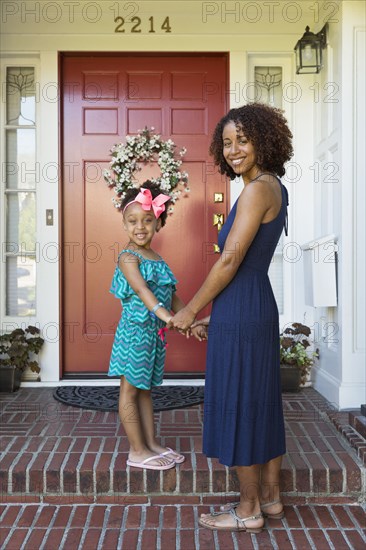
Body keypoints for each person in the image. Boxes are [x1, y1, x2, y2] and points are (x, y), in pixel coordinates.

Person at [171, 103, 293, 532]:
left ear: (263, 139)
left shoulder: (258, 189)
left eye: (243, 139)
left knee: (242, 403)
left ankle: (248, 510)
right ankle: (272, 499)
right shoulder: (272, 186)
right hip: (252, 304)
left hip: (243, 305)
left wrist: (190, 310)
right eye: (227, 142)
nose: (234, 149)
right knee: (262, 401)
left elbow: (230, 262)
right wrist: (215, 318)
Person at [108, 181, 186, 470]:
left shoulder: (157, 258)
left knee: (145, 389)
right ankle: (136, 450)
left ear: (158, 222)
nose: (140, 227)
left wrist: (189, 320)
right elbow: (143, 291)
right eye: (132, 221)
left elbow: (171, 294)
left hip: (154, 335)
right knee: (129, 390)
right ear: (124, 224)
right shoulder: (128, 257)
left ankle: (151, 442)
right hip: (134, 333)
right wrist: (168, 317)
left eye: (147, 220)